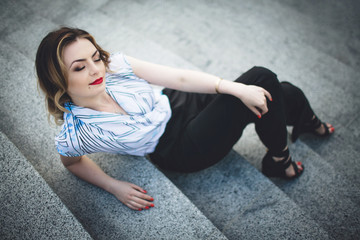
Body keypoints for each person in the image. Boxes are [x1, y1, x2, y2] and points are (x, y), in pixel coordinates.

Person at [35, 27, 334, 211]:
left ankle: (296, 132)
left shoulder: (115, 66)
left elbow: (178, 77)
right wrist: (113, 185)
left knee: (264, 89)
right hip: (177, 147)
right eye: (79, 68)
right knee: (264, 80)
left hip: (177, 101)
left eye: (95, 58)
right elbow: (72, 162)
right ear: (57, 79)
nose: (96, 70)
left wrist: (232, 87)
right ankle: (286, 149)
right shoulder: (77, 131)